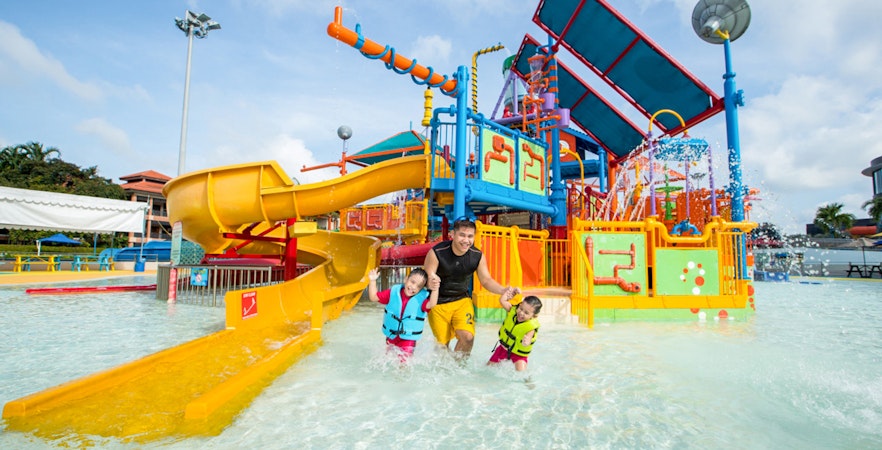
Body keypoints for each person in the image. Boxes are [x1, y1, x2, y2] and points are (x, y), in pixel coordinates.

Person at [423, 217, 512, 360]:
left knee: (468, 338)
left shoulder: (477, 256)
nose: (466, 240)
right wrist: (430, 281)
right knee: (442, 346)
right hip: (438, 303)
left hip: (462, 301)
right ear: (453, 234)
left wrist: (502, 290)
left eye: (470, 236)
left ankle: (459, 369)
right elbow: (426, 277)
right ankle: (446, 370)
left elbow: (486, 280)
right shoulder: (437, 252)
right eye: (462, 235)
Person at [367, 267, 439, 361]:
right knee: (388, 360)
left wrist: (435, 288)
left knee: (404, 363)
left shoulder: (421, 301)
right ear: (406, 279)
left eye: (418, 286)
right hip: (391, 336)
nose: (413, 287)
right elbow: (373, 297)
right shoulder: (393, 293)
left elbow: (432, 303)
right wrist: (372, 281)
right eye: (412, 282)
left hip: (408, 339)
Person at [488, 288, 542, 371]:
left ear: (533, 316)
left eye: (526, 313)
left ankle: (530, 383)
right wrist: (512, 292)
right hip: (502, 349)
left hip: (518, 355)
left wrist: (526, 342)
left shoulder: (531, 327)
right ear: (519, 305)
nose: (521, 313)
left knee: (522, 374)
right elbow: (502, 301)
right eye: (521, 309)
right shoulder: (512, 311)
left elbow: (529, 338)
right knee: (488, 368)